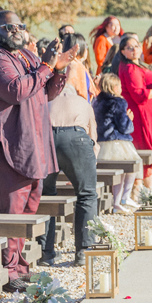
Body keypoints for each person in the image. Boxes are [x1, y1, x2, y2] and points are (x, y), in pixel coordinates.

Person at [0, 11, 75, 292]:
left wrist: (58, 68)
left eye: (21, 26)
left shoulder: (26, 57)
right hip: (7, 145)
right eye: (10, 27)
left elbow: (46, 93)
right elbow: (16, 91)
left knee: (29, 208)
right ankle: (7, 272)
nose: (17, 30)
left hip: (31, 142)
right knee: (12, 210)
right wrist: (46, 67)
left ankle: (20, 266)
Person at [43, 84, 99, 266]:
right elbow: (94, 141)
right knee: (87, 194)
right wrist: (83, 172)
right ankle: (84, 251)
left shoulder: (46, 100)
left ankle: (46, 253)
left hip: (47, 138)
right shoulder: (84, 103)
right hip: (77, 137)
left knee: (45, 195)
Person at [118, 35, 152, 188]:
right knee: (146, 153)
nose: (134, 50)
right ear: (123, 52)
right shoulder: (130, 68)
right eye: (129, 48)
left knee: (149, 153)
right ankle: (148, 193)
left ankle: (148, 192)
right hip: (142, 117)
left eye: (136, 46)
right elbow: (139, 95)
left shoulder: (138, 65)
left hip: (150, 115)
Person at [93, 73, 141, 214]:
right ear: (115, 87)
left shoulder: (96, 101)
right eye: (120, 86)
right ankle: (124, 197)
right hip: (116, 142)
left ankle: (117, 203)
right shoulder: (118, 102)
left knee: (118, 173)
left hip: (101, 144)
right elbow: (124, 127)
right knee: (133, 164)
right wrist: (129, 118)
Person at [63, 33, 97, 102]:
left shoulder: (64, 62)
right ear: (80, 48)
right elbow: (82, 93)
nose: (86, 50)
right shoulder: (75, 66)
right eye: (85, 47)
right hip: (78, 107)